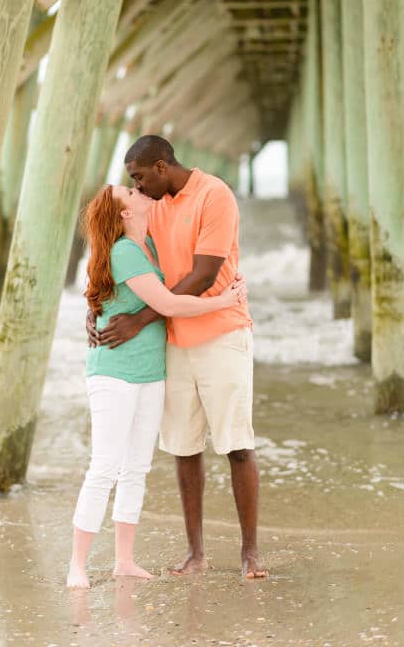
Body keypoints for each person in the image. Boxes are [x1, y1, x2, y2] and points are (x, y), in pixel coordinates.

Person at [94, 135, 267, 580]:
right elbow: (128, 264)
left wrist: (140, 320)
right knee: (183, 448)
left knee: (236, 444)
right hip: (173, 340)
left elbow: (204, 275)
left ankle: (250, 553)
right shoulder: (154, 207)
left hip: (222, 333)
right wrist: (97, 308)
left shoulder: (215, 195)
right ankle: (196, 554)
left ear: (161, 167)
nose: (137, 187)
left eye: (139, 178)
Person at [67, 183, 247, 589]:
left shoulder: (147, 241)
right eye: (129, 192)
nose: (138, 189)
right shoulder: (125, 251)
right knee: (105, 467)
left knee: (136, 469)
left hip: (151, 372)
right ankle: (77, 564)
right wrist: (225, 301)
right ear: (125, 214)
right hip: (114, 372)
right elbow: (167, 304)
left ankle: (124, 560)